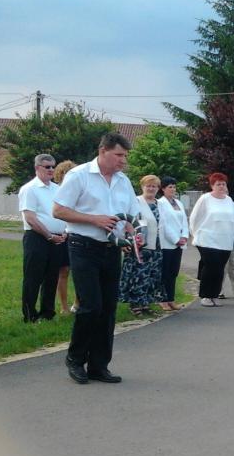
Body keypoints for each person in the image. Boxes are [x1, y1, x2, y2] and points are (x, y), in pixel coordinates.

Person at [53, 132, 140, 384]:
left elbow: (131, 215)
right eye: (119, 155)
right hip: (83, 246)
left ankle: (99, 365)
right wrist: (94, 219)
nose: (123, 160)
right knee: (91, 305)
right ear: (103, 151)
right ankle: (75, 359)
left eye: (125, 156)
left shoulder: (123, 181)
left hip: (111, 249)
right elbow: (58, 210)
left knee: (108, 308)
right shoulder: (79, 175)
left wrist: (133, 234)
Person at [18, 154, 67, 322]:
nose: (51, 170)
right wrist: (49, 236)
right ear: (37, 168)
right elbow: (30, 218)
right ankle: (29, 314)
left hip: (57, 238)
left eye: (53, 166)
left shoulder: (56, 189)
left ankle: (47, 313)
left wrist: (65, 230)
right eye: (47, 167)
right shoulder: (30, 189)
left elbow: (62, 212)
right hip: (37, 238)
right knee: (33, 277)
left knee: (52, 277)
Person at [188, 173, 234, 307]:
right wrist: (194, 233)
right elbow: (194, 217)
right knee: (211, 267)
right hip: (207, 240)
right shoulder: (205, 199)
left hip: (225, 241)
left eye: (223, 184)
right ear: (212, 186)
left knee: (219, 269)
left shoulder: (228, 200)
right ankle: (205, 295)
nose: (221, 186)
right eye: (218, 184)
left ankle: (214, 294)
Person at [119, 175, 165, 316]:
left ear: (158, 188)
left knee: (152, 275)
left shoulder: (160, 204)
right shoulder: (136, 202)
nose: (151, 188)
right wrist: (124, 240)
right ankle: (135, 304)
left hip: (157, 245)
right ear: (142, 187)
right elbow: (126, 221)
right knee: (138, 274)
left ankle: (146, 303)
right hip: (139, 245)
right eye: (148, 186)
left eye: (154, 186)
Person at [157, 176, 189, 311]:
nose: (173, 189)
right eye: (170, 187)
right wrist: (175, 239)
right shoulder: (160, 203)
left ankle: (171, 299)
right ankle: (162, 300)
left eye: (174, 187)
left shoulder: (178, 203)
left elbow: (184, 221)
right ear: (163, 189)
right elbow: (163, 224)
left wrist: (184, 236)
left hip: (179, 243)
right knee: (164, 272)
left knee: (173, 272)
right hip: (167, 243)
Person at [53, 160, 78, 314]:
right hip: (61, 235)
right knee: (63, 271)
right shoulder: (56, 191)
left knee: (79, 272)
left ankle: (77, 303)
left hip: (75, 234)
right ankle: (64, 307)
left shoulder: (80, 191)